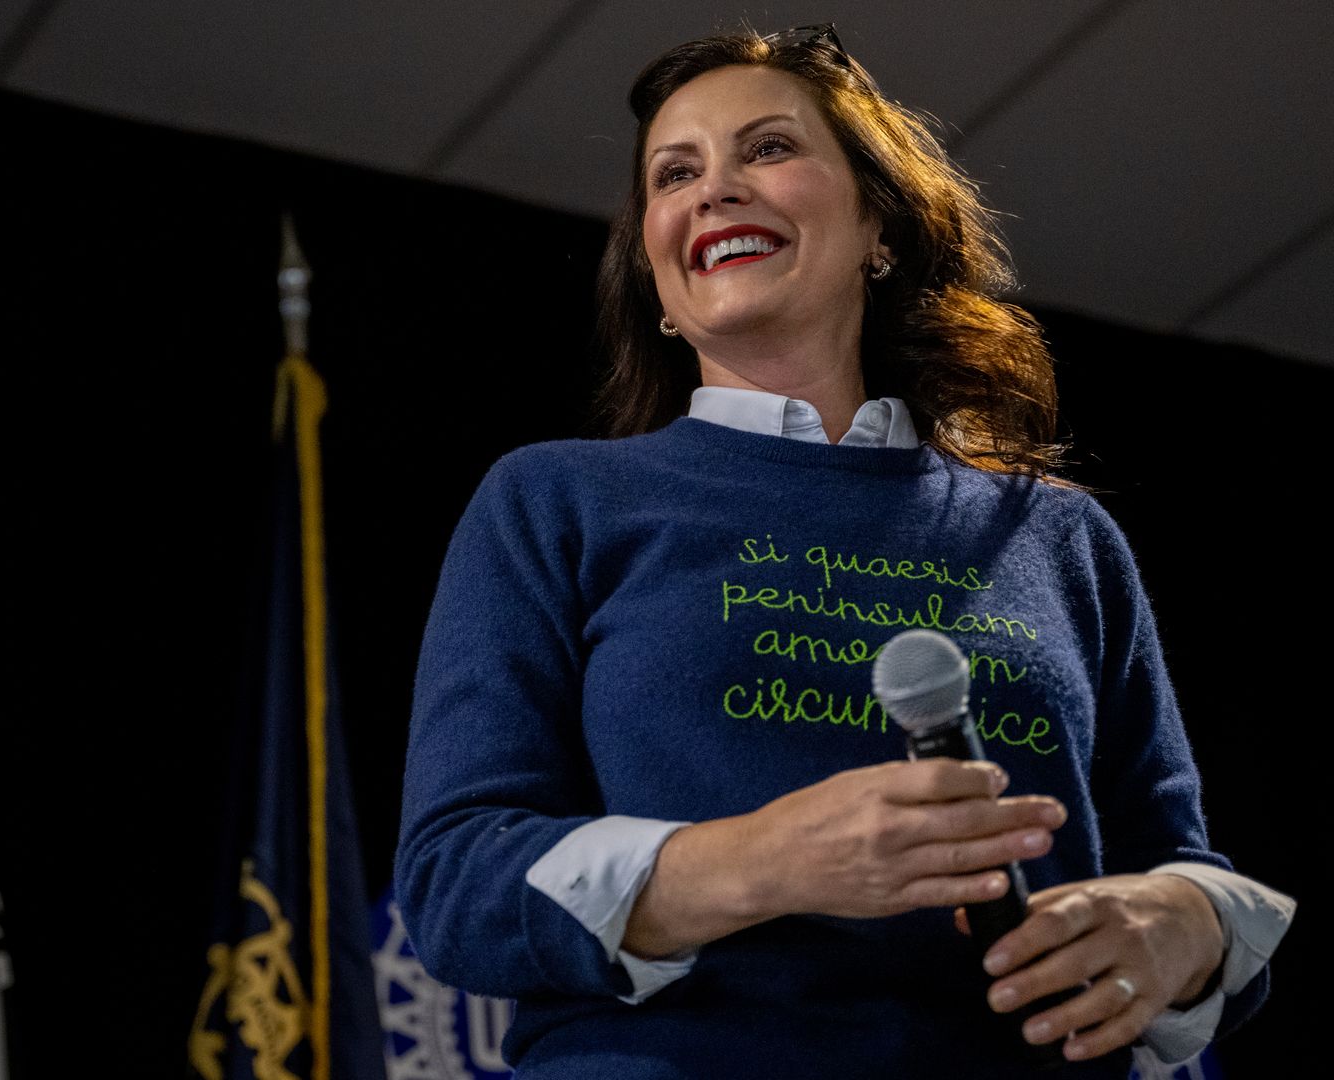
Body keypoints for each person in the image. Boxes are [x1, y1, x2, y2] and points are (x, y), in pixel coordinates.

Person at [393, 25, 1292, 1080]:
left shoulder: (1058, 536)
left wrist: (1182, 929)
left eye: (767, 149)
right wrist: (760, 862)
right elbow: (457, 884)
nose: (714, 190)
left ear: (878, 223)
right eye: (674, 175)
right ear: (658, 278)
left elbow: (1181, 868)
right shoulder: (555, 502)